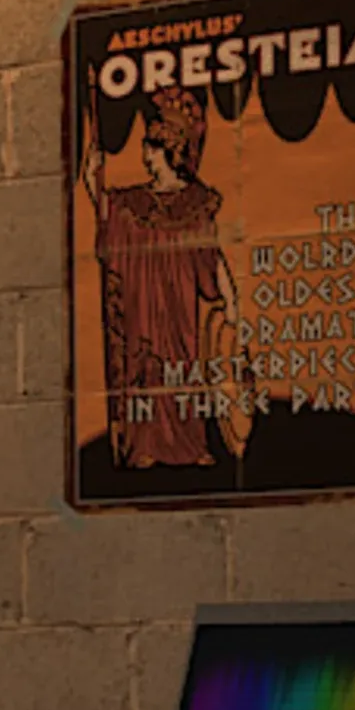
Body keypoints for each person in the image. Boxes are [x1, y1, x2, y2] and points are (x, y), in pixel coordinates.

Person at [85, 84, 248, 470]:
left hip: (179, 307)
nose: (145, 154)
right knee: (145, 370)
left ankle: (190, 446)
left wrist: (231, 302)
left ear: (168, 151)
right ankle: (144, 446)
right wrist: (92, 175)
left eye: (151, 147)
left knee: (182, 370)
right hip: (143, 304)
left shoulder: (195, 203)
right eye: (146, 146)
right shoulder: (132, 204)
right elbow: (106, 211)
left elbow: (210, 257)